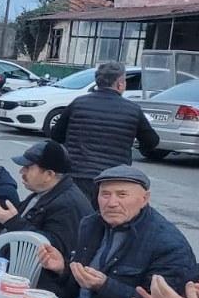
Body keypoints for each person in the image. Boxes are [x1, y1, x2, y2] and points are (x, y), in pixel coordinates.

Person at [38, 166, 194, 298]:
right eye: (105, 194)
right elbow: (78, 288)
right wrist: (63, 269)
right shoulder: (90, 224)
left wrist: (105, 286)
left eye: (122, 195)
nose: (112, 203)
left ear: (144, 199)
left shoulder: (168, 244)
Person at [0, 142, 92, 293]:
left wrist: (12, 222)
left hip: (40, 287)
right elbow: (28, 226)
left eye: (28, 167)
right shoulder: (44, 192)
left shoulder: (68, 204)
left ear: (49, 174)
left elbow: (51, 248)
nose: (22, 171)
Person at [52, 61, 159, 204]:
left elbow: (56, 135)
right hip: (112, 180)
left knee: (75, 219)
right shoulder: (132, 110)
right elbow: (152, 141)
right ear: (120, 84)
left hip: (76, 175)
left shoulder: (78, 103)